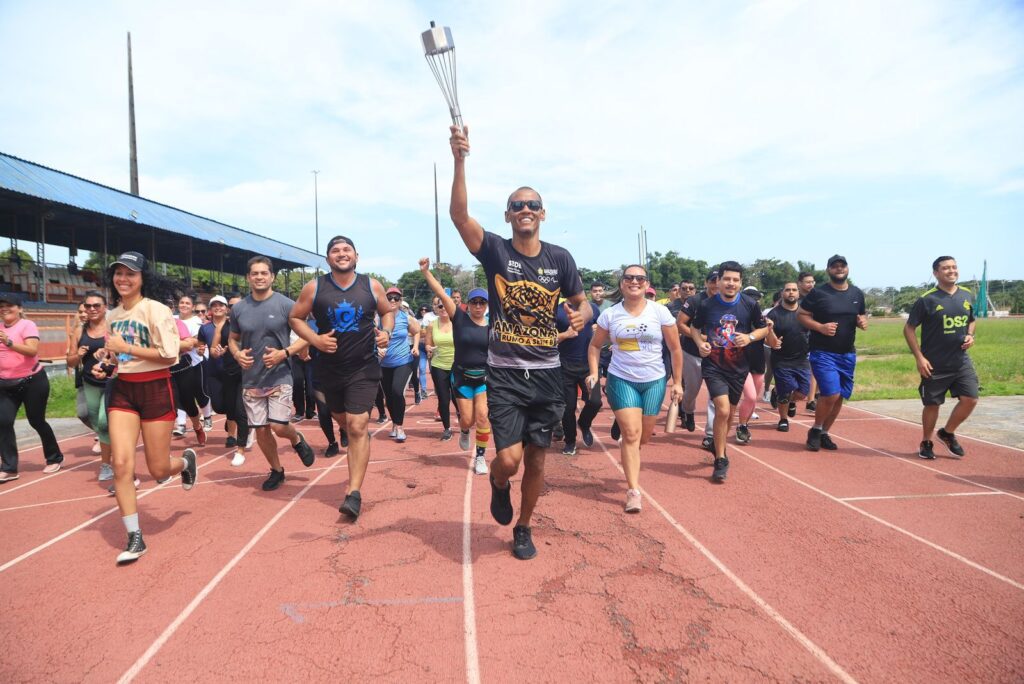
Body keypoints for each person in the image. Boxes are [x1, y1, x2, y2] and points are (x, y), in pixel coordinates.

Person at [449, 124, 590, 560]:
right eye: (517, 206)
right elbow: (459, 216)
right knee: (508, 460)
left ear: (543, 214)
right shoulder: (495, 251)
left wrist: (580, 313)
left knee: (539, 462)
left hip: (548, 374)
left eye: (533, 205)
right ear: (508, 215)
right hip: (506, 375)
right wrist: (460, 159)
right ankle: (497, 482)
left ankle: (524, 528)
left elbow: (580, 303)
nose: (525, 209)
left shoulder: (560, 259)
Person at [98, 252, 195, 563]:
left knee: (158, 469)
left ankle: (184, 464)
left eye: (131, 273)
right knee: (122, 464)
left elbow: (170, 355)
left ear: (143, 278)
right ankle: (135, 537)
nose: (123, 279)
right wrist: (108, 362)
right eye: (118, 273)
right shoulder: (112, 315)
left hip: (155, 388)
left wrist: (125, 347)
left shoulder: (156, 310)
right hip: (123, 390)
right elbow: (121, 358)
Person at [289, 236, 392, 520]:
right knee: (343, 420)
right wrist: (315, 340)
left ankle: (353, 492)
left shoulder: (371, 285)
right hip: (328, 370)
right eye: (335, 250)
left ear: (357, 256)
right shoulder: (315, 287)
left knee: (358, 425)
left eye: (347, 250)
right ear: (328, 259)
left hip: (363, 368)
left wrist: (386, 331)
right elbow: (295, 318)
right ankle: (351, 433)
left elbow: (387, 312)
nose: (342, 254)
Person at [588, 265, 681, 512]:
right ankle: (633, 491)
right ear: (622, 284)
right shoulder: (610, 315)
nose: (634, 281)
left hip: (654, 380)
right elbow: (595, 346)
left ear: (646, 283)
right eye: (629, 277)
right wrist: (595, 373)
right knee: (630, 434)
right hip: (622, 379)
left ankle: (630, 450)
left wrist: (678, 383)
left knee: (644, 437)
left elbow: (675, 349)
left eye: (639, 278)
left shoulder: (660, 312)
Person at [228, 256, 315, 491]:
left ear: (272, 277)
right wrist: (236, 354)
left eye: (263, 273)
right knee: (261, 429)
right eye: (254, 273)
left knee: (278, 426)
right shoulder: (239, 308)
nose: (259, 277)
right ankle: (277, 470)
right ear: (248, 278)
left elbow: (307, 335)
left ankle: (296, 439)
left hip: (280, 376)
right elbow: (232, 339)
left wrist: (284, 353)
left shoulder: (286, 305)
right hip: (251, 379)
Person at [690, 261, 767, 482]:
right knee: (722, 409)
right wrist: (700, 343)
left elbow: (763, 328)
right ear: (719, 281)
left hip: (739, 367)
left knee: (730, 412)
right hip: (714, 366)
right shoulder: (707, 305)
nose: (730, 283)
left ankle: (718, 442)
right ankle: (721, 458)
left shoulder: (750, 305)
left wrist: (749, 337)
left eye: (735, 280)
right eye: (726, 279)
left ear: (740, 282)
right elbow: (694, 328)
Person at [420, 258, 492, 473]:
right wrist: (426, 272)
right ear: (468, 304)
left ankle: (480, 457)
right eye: (474, 302)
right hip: (461, 377)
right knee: (467, 420)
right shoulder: (459, 318)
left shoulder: (494, 323)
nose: (478, 306)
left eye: (482, 303)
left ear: (487, 305)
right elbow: (441, 293)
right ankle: (464, 431)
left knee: (482, 416)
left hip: (484, 378)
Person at [904, 256, 978, 459]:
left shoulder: (967, 294)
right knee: (932, 404)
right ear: (936, 273)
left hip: (960, 361)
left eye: (954, 267)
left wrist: (971, 335)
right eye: (946, 268)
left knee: (971, 398)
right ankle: (926, 441)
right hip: (934, 363)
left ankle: (947, 432)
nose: (951, 271)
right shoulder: (927, 299)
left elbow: (972, 320)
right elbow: (909, 329)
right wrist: (919, 357)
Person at [798, 255, 867, 452]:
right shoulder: (818, 293)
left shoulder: (857, 293)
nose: (839, 269)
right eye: (834, 266)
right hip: (822, 352)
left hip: (847, 353)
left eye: (842, 266)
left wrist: (862, 322)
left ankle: (825, 432)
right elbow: (801, 315)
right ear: (828, 270)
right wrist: (820, 327)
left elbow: (861, 314)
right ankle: (816, 429)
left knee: (840, 396)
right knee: (830, 393)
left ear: (847, 269)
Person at [0, 293, 65, 482]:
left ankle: (54, 457)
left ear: (20, 308)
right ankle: (10, 467)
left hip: (32, 381)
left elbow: (32, 350)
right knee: (2, 422)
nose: (4, 308)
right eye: (1, 305)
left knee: (36, 420)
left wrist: (9, 342)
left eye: (9, 305)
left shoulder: (27, 325)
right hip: (5, 383)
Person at [66, 291, 113, 479]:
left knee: (103, 422)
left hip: (111, 382)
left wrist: (107, 363)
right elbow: (70, 361)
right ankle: (112, 455)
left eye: (96, 306)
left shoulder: (113, 328)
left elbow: (125, 356)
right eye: (88, 306)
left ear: (105, 308)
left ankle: (106, 465)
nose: (91, 309)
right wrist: (78, 354)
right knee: (96, 422)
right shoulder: (79, 331)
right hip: (89, 383)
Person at [200, 295, 249, 466]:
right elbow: (213, 349)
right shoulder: (222, 325)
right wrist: (217, 352)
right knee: (224, 407)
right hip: (228, 374)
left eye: (238, 305)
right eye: (232, 306)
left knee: (240, 410)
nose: (235, 308)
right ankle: (240, 427)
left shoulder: (250, 323)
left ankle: (240, 448)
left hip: (247, 373)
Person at [555, 289, 602, 457]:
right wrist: (565, 335)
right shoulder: (557, 310)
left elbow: (601, 332)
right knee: (568, 408)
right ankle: (570, 441)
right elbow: (548, 337)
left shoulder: (593, 310)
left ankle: (584, 423)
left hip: (589, 365)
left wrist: (598, 330)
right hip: (563, 366)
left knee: (596, 401)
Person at [676, 269, 719, 438]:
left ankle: (710, 434)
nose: (716, 285)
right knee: (692, 391)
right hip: (692, 353)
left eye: (719, 281)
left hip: (717, 356)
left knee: (715, 394)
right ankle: (688, 411)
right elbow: (680, 324)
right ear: (706, 283)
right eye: (712, 281)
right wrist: (700, 338)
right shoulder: (695, 301)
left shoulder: (727, 301)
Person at [766, 282, 811, 432]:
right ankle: (783, 419)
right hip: (781, 359)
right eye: (787, 290)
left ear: (798, 293)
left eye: (794, 290)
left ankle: (782, 396)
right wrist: (772, 336)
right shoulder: (773, 314)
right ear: (782, 293)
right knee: (785, 392)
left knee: (803, 392)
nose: (791, 293)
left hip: (802, 359)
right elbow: (767, 338)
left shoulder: (806, 313)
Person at [379, 287, 420, 443]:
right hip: (384, 363)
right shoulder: (379, 318)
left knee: (397, 391)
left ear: (401, 300)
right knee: (388, 396)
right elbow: (370, 336)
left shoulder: (406, 318)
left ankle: (400, 426)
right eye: (389, 298)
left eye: (396, 298)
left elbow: (417, 331)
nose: (393, 301)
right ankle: (394, 424)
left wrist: (415, 347)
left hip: (403, 361)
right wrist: (377, 348)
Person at [171, 294, 210, 444]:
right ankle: (180, 425)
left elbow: (192, 342)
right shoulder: (165, 320)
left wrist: (174, 344)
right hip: (165, 367)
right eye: (182, 302)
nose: (184, 305)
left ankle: (197, 425)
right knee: (172, 401)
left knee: (191, 398)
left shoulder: (190, 322)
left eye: (188, 303)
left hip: (189, 364)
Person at [735, 286, 768, 444]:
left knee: (752, 400)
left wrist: (771, 329)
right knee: (750, 396)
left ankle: (744, 425)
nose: (752, 300)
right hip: (741, 361)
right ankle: (741, 425)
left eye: (755, 297)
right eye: (749, 297)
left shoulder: (763, 320)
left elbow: (774, 343)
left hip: (758, 362)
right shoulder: (738, 319)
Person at [424, 294, 456, 440]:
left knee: (458, 398)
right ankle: (447, 428)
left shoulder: (457, 323)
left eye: (445, 306)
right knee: (443, 398)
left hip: (457, 365)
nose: (443, 309)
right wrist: (429, 348)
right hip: (438, 365)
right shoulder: (432, 325)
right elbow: (427, 344)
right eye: (440, 306)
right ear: (436, 308)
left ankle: (463, 420)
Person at [797, 271, 818, 412]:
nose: (810, 284)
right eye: (807, 282)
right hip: (794, 339)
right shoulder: (794, 297)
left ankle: (811, 400)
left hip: (812, 338)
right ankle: (780, 392)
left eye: (812, 281)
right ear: (800, 283)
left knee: (814, 367)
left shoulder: (817, 297)